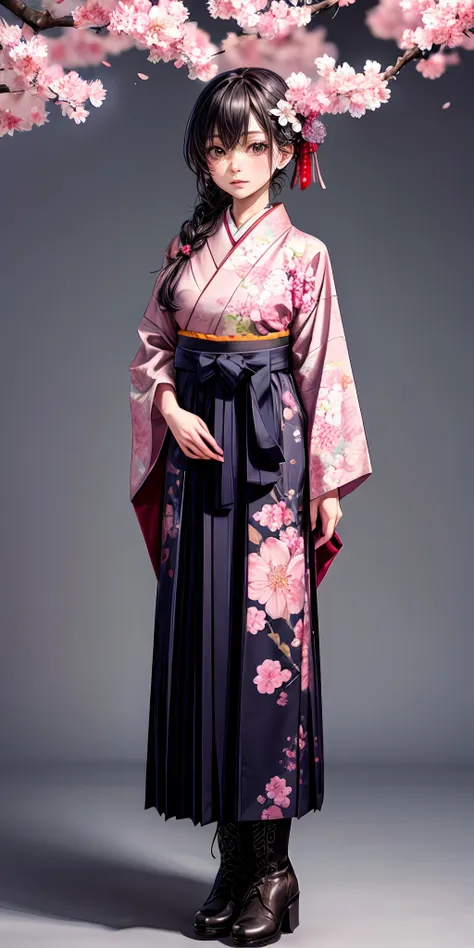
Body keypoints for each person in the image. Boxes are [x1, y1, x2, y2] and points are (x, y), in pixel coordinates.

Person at [129, 67, 372, 946]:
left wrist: (330, 486)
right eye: (220, 145)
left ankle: (274, 871)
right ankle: (232, 865)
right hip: (200, 461)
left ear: (285, 151)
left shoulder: (306, 257)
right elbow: (153, 351)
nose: (236, 162)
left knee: (266, 660)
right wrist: (169, 407)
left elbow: (324, 372)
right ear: (203, 152)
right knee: (209, 652)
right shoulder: (184, 249)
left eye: (255, 146)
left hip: (271, 471)